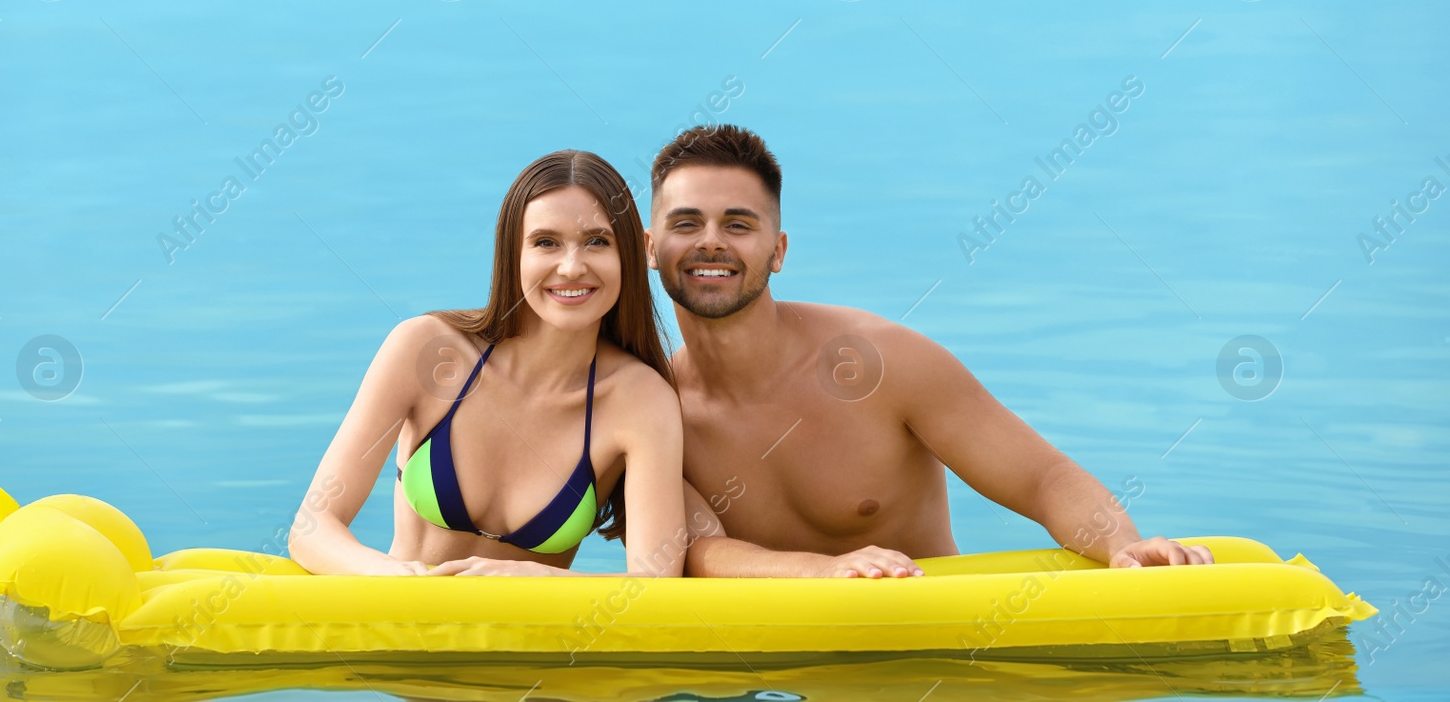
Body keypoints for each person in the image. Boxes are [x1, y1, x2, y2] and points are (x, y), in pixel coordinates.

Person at [649, 125, 1215, 579]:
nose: (711, 242)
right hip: (778, 664)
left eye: (739, 224)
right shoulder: (652, 407)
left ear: (778, 250)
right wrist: (823, 572)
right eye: (687, 223)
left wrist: (1124, 546)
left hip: (933, 655)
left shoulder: (880, 363)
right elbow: (697, 551)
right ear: (651, 248)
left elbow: (1042, 478)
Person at [289, 150, 687, 577]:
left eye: (596, 241)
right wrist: (396, 579)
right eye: (545, 242)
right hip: (403, 630)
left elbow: (653, 586)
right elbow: (313, 528)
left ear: (626, 255)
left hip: (533, 643)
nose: (571, 267)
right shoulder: (427, 350)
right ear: (513, 254)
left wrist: (541, 580)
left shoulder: (641, 401)